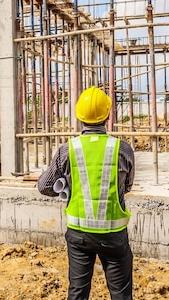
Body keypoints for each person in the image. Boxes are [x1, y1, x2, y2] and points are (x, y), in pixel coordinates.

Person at [37, 86, 135, 300]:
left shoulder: (68, 149)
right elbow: (127, 187)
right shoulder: (123, 149)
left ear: (79, 115)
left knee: (78, 293)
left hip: (79, 235)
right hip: (113, 236)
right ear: (107, 115)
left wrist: (66, 185)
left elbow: (44, 186)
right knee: (121, 294)